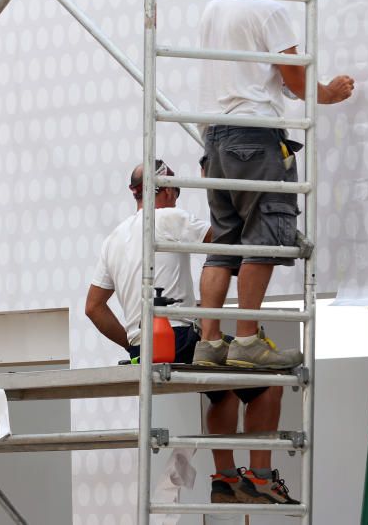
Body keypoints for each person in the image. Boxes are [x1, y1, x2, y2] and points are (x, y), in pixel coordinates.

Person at [85, 160, 299, 505]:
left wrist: (136, 344)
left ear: (135, 193)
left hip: (149, 345)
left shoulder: (113, 239)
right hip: (181, 337)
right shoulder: (170, 217)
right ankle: (261, 479)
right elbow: (227, 244)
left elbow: (93, 307)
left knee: (224, 393)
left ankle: (227, 480)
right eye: (178, 190)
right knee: (270, 381)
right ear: (168, 191)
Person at [193, 0, 355, 370]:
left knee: (224, 241)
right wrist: (330, 93)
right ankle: (247, 340)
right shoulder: (270, 8)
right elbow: (295, 80)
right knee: (263, 236)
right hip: (255, 133)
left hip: (215, 138)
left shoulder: (214, 6)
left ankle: (209, 340)